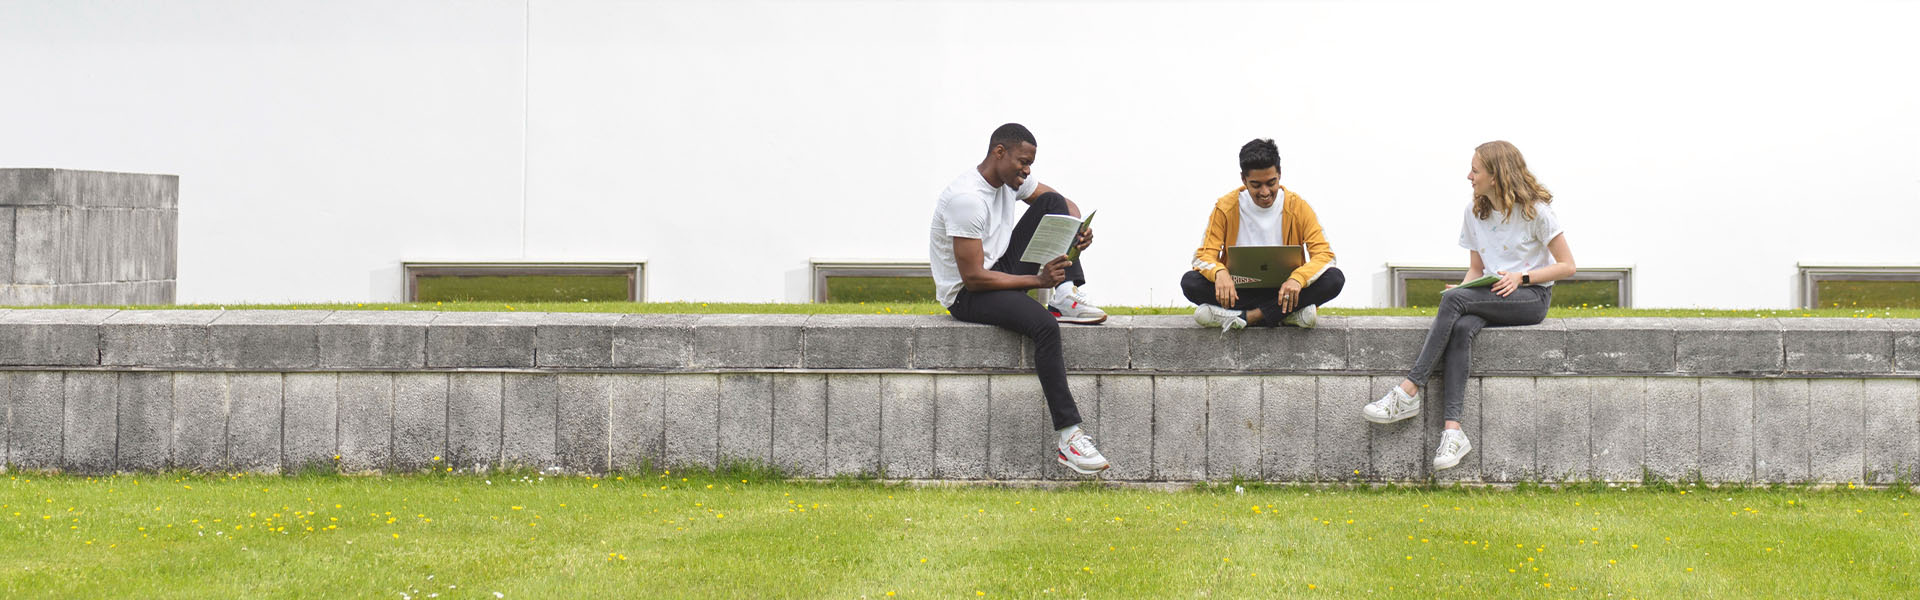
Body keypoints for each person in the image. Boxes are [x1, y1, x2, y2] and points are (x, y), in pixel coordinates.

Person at [1362, 140, 1577, 470]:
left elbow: (1567, 266)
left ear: (1496, 174)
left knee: (1454, 301)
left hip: (1531, 298)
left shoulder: (1537, 211)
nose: (1469, 176)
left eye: (1475, 170)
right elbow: (1477, 270)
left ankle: (1408, 390)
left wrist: (1523, 278)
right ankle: (1453, 432)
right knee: (1460, 325)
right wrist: (1465, 290)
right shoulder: (1475, 211)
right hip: (1491, 292)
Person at [928, 123, 1110, 475]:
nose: (1026, 171)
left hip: (1001, 268)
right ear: (999, 152)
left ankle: (1064, 295)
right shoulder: (967, 200)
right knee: (1043, 326)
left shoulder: (1009, 180)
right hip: (969, 294)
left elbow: (1064, 204)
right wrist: (1036, 279)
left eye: (1030, 164)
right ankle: (1070, 438)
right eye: (1022, 162)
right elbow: (974, 278)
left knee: (1054, 204)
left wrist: (1076, 230)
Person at [1185, 138, 1344, 331]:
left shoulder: (1298, 207)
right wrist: (1220, 272)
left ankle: (1248, 317)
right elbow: (1202, 256)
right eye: (1256, 185)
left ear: (1279, 175)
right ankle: (1287, 315)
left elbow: (1325, 256)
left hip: (1285, 291)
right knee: (1190, 282)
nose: (1265, 192)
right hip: (1240, 290)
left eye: (1271, 183)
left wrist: (1297, 278)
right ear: (1244, 180)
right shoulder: (1225, 208)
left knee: (1334, 279)